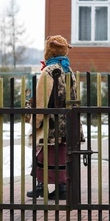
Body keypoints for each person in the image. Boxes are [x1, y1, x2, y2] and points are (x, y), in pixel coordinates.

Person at [27, 35, 80, 199]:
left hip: (51, 122)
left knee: (44, 153)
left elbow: (42, 99)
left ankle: (41, 186)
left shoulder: (48, 71)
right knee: (61, 154)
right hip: (67, 120)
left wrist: (35, 120)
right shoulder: (68, 69)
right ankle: (61, 187)